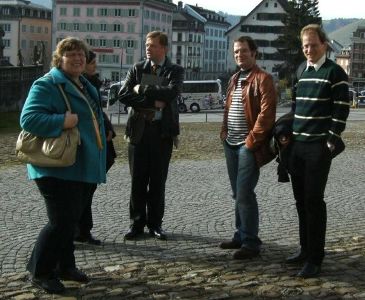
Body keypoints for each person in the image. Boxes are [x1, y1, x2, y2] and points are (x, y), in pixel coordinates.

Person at [20, 37, 106, 294]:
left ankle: (66, 265)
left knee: (72, 220)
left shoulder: (82, 83)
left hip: (80, 165)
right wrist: (62, 121)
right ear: (59, 59)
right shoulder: (47, 84)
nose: (78, 58)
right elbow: (29, 119)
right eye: (71, 55)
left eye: (81, 54)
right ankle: (41, 271)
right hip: (56, 166)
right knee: (61, 221)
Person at [286, 24, 350, 278]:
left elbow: (342, 108)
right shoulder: (302, 70)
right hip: (297, 147)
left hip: (317, 148)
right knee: (301, 202)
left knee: (314, 202)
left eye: (313, 44)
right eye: (305, 46)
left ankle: (315, 258)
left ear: (324, 44)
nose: (309, 49)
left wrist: (331, 141)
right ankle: (304, 249)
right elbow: (294, 105)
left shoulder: (334, 72)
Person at [118, 31, 184, 240]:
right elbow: (123, 95)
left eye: (153, 45)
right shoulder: (137, 68)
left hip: (162, 132)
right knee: (137, 180)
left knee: (157, 181)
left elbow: (171, 93)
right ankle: (136, 223)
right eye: (147, 45)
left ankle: (156, 224)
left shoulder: (175, 70)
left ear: (164, 48)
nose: (148, 48)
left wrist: (142, 88)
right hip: (138, 132)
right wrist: (151, 102)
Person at [219, 36, 276, 260]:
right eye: (236, 52)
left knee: (244, 193)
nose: (239, 55)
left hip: (247, 145)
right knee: (237, 193)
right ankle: (240, 235)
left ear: (254, 53)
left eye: (243, 51)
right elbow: (228, 107)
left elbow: (267, 113)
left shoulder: (263, 79)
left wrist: (252, 140)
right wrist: (224, 132)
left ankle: (251, 242)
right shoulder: (234, 78)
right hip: (230, 142)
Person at [74, 50, 117, 245]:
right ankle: (77, 231)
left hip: (98, 142)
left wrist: (108, 129)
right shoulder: (81, 85)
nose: (95, 67)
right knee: (82, 191)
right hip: (86, 143)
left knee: (87, 190)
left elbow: (99, 112)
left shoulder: (91, 84)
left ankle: (83, 230)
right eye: (92, 63)